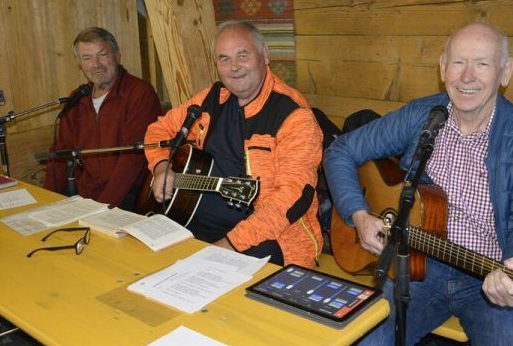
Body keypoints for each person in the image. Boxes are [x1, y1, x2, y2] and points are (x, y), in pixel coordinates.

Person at [324, 22, 513, 346]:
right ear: (442, 67)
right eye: (458, 62)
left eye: (482, 64)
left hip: (490, 273)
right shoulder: (423, 116)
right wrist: (358, 214)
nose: (467, 76)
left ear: (505, 72)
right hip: (417, 264)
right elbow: (340, 151)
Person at [144, 20, 323, 267]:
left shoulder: (293, 115)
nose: (234, 67)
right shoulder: (213, 99)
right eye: (224, 59)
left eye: (242, 55)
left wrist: (227, 245)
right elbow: (158, 130)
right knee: (140, 257)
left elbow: (290, 198)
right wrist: (161, 166)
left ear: (265, 55)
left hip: (268, 237)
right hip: (191, 218)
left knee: (203, 275)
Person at [44, 27, 162, 210]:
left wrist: (101, 209)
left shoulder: (139, 93)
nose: (96, 64)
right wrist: (47, 202)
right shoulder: (77, 98)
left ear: (117, 55)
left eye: (102, 54)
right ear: (80, 64)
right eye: (87, 58)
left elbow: (132, 160)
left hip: (128, 196)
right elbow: (60, 155)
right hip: (84, 195)